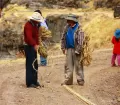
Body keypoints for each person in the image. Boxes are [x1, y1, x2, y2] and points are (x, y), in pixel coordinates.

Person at [61, 14, 85, 86]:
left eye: (69, 20)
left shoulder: (79, 28)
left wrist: (78, 50)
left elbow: (81, 41)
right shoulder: (67, 27)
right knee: (68, 66)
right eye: (68, 20)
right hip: (69, 49)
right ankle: (68, 81)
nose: (68, 22)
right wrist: (63, 47)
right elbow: (63, 38)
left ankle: (80, 80)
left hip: (76, 49)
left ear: (73, 21)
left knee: (78, 65)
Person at [24, 12, 44, 88]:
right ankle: (29, 83)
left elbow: (36, 35)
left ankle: (35, 81)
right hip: (29, 47)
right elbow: (29, 37)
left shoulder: (35, 25)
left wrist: (38, 44)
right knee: (30, 64)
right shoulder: (28, 25)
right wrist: (34, 44)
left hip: (33, 46)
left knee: (35, 64)